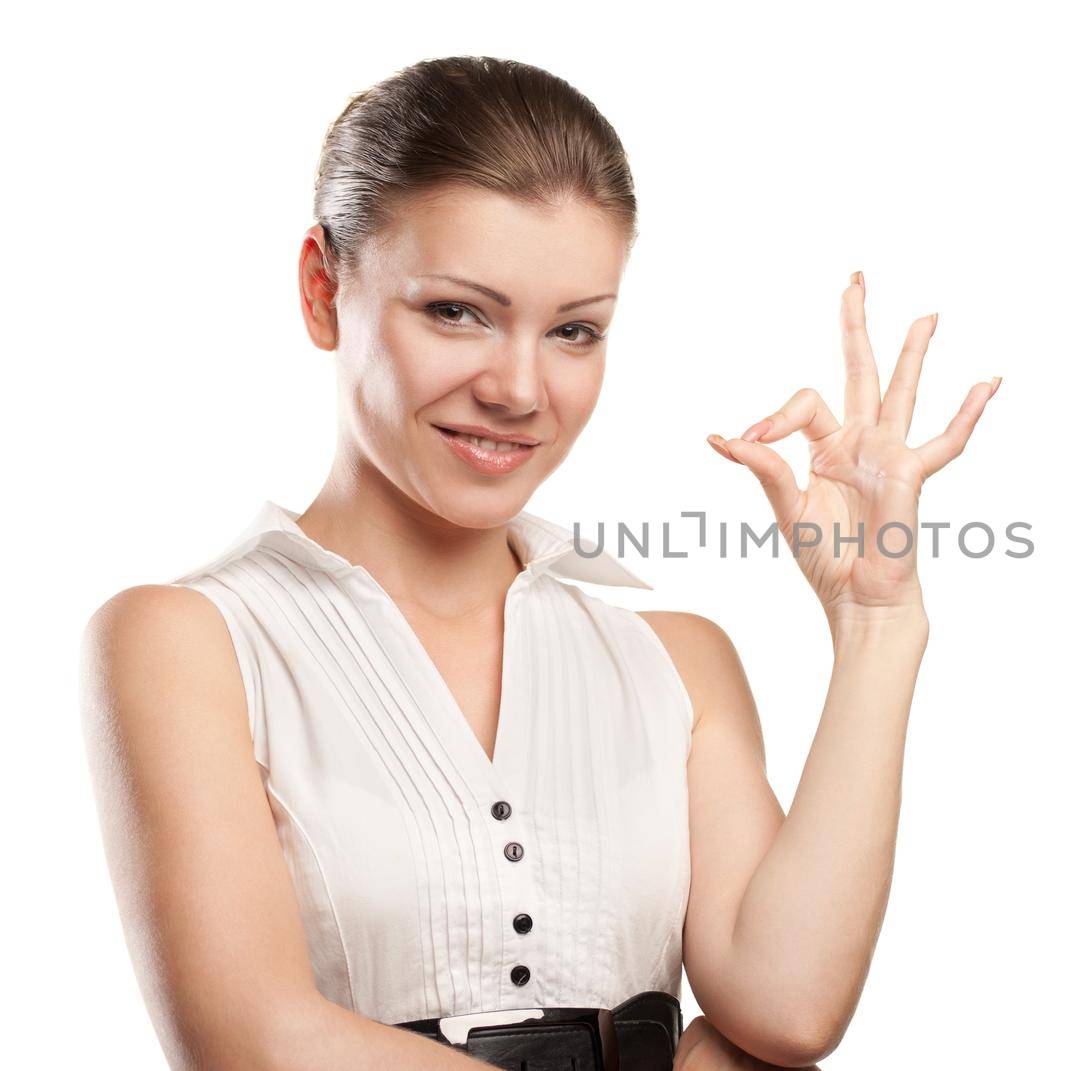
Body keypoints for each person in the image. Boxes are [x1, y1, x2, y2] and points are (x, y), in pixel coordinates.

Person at [79, 55, 999, 1071]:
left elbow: (786, 1007)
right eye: (456, 312)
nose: (519, 389)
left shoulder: (676, 661)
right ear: (322, 288)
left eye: (572, 330)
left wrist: (877, 623)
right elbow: (253, 1041)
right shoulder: (190, 642)